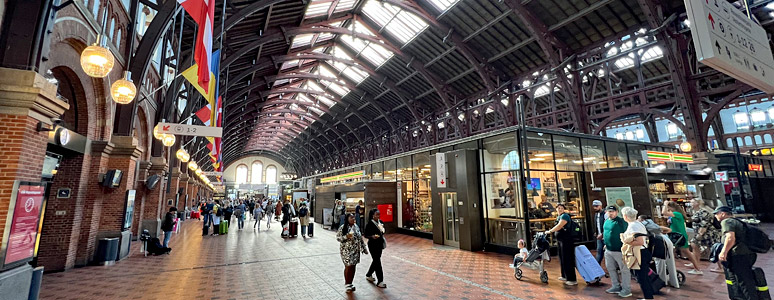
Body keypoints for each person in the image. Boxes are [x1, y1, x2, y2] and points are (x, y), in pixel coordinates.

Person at [715, 206, 759, 300]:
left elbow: (730, 237)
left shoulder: (727, 221)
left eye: (716, 213)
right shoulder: (737, 221)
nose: (715, 216)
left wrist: (723, 252)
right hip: (747, 254)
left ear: (723, 214)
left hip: (739, 255)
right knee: (742, 279)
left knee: (744, 281)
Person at [621, 207, 653, 300]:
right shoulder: (637, 224)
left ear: (625, 216)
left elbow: (639, 241)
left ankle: (648, 297)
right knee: (643, 276)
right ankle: (648, 296)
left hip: (639, 253)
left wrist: (626, 242)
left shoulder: (633, 226)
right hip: (642, 252)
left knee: (641, 277)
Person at [662, 201, 702, 275]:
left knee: (686, 252)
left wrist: (665, 204)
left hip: (679, 235)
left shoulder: (677, 214)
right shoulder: (674, 215)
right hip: (675, 235)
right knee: (679, 251)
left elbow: (664, 212)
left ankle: (697, 268)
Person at [545, 203, 577, 286]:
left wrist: (550, 231)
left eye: (561, 208)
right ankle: (564, 275)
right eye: (558, 208)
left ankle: (571, 279)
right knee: (562, 257)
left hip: (567, 240)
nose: (559, 209)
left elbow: (560, 225)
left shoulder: (565, 216)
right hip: (561, 240)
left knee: (567, 258)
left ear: (564, 209)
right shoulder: (559, 216)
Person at [603, 205, 631, 298]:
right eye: (609, 211)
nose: (610, 213)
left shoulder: (621, 222)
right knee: (610, 268)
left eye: (612, 211)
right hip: (608, 249)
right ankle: (616, 286)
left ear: (617, 212)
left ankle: (626, 289)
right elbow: (606, 233)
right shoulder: (606, 222)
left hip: (620, 250)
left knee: (624, 270)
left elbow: (627, 234)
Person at [689, 199, 722, 273]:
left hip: (708, 234)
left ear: (697, 203)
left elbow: (705, 223)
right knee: (694, 244)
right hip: (703, 233)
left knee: (714, 249)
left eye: (692, 202)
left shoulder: (703, 211)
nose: (690, 203)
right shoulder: (696, 211)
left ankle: (721, 267)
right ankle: (696, 263)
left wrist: (700, 234)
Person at [336, 213, 367, 293]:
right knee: (348, 266)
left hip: (355, 250)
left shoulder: (356, 227)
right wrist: (346, 236)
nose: (353, 219)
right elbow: (338, 238)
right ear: (347, 219)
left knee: (353, 266)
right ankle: (347, 284)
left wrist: (364, 248)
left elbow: (360, 238)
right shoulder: (343, 228)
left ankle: (350, 283)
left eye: (354, 217)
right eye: (351, 218)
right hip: (346, 250)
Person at [364, 208, 387, 288]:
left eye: (379, 214)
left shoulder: (380, 222)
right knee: (377, 262)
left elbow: (383, 231)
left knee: (376, 260)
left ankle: (369, 274)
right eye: (377, 214)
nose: (378, 216)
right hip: (373, 245)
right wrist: (372, 236)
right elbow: (366, 235)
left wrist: (382, 230)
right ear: (372, 215)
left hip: (380, 244)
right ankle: (380, 281)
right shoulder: (369, 224)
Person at [592, 199, 607, 264]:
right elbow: (597, 224)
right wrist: (596, 232)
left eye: (596, 206)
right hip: (599, 236)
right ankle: (597, 269)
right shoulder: (596, 214)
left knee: (607, 254)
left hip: (606, 236)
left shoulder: (605, 214)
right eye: (594, 206)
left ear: (600, 206)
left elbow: (607, 226)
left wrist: (603, 234)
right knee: (599, 252)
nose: (595, 208)